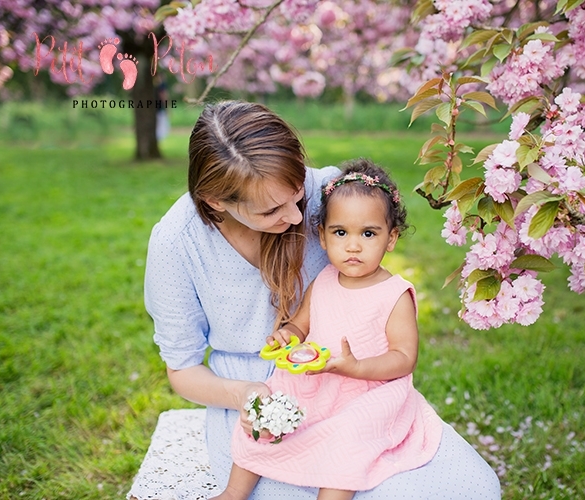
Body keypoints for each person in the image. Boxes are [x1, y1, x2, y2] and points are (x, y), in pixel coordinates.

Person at [144, 100, 501, 499]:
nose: (299, 219)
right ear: (215, 201)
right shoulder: (177, 243)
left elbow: (372, 249)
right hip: (259, 398)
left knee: (476, 490)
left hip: (350, 389)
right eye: (271, 211)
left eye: (296, 196)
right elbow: (182, 369)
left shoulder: (334, 195)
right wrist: (245, 394)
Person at [217, 160, 442, 500]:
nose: (353, 245)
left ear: (391, 238)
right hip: (317, 380)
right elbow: (300, 324)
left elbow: (404, 358)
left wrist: (358, 368)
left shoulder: (394, 294)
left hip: (368, 390)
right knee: (270, 408)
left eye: (368, 233)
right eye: (340, 233)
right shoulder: (323, 280)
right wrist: (286, 336)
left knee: (348, 438)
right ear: (322, 236)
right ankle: (233, 492)